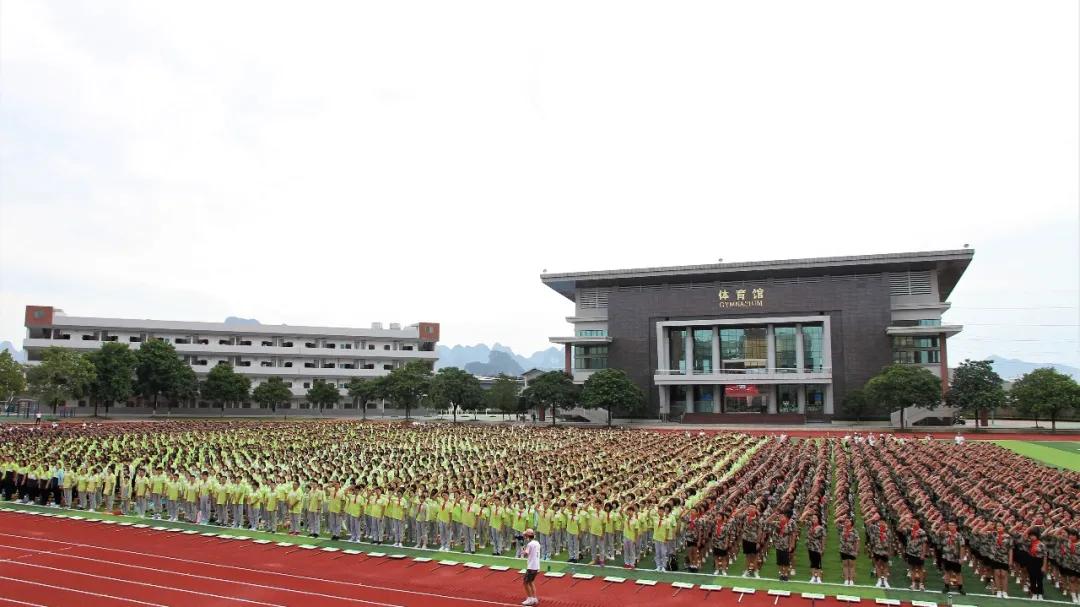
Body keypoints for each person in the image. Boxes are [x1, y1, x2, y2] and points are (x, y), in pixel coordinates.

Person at [520, 528, 541, 606]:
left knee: (525, 583)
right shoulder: (537, 543)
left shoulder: (530, 544)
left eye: (526, 535)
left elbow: (525, 554)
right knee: (531, 582)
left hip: (531, 566)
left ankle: (530, 599)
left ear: (528, 536)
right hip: (536, 566)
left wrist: (522, 549)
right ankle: (534, 598)